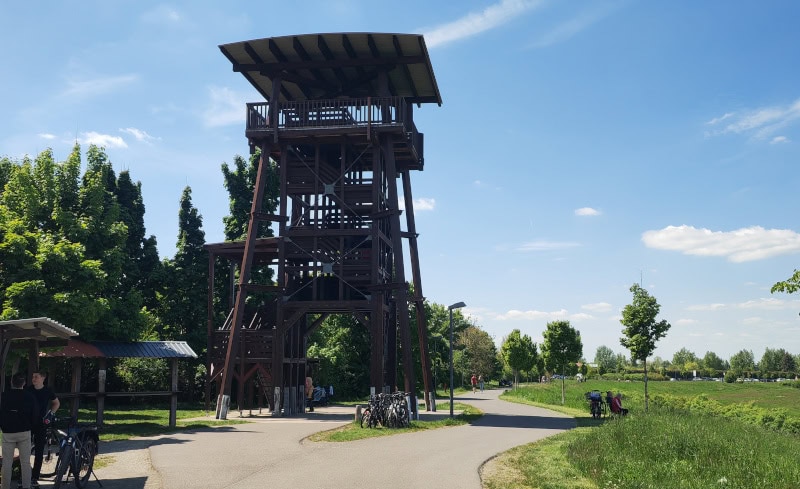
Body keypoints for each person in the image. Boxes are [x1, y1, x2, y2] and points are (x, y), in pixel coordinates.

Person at [1, 372, 38, 489]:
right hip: (24, 431)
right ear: (24, 383)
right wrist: (30, 427)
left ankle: (5, 486)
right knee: (25, 462)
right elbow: (35, 415)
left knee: (7, 463)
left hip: (8, 432)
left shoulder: (4, 396)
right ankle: (26, 486)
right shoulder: (30, 396)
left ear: (11, 382)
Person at [27, 370, 59, 487]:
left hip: (41, 423)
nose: (33, 379)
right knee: (25, 449)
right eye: (33, 376)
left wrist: (51, 414)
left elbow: (56, 403)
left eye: (36, 377)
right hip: (28, 422)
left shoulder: (47, 391)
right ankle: (24, 475)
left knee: (39, 450)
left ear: (43, 378)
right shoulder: (28, 390)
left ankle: (35, 477)